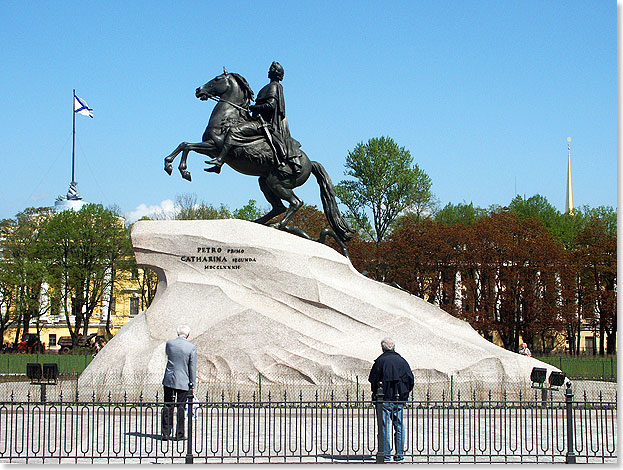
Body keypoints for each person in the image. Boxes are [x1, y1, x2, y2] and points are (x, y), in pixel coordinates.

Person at [206, 61, 302, 174]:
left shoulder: (274, 86)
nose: (269, 71)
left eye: (271, 69)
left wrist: (253, 108)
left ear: (275, 72)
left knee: (233, 131)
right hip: (257, 120)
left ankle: (220, 161)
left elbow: (271, 106)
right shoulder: (267, 87)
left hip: (263, 123)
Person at [368, 337, 414, 462]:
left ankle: (386, 454)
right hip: (399, 398)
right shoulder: (402, 361)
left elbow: (373, 379)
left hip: (384, 399)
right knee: (399, 426)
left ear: (382, 348)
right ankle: (399, 454)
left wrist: (377, 393)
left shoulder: (380, 361)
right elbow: (410, 379)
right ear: (393, 347)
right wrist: (404, 393)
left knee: (384, 426)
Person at [161, 324, 197, 441]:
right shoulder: (191, 347)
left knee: (167, 405)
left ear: (177, 333)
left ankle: (165, 432)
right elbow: (192, 366)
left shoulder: (170, 344)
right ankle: (180, 434)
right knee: (181, 407)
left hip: (169, 379)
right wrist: (193, 383)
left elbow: (168, 355)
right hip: (183, 380)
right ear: (188, 334)